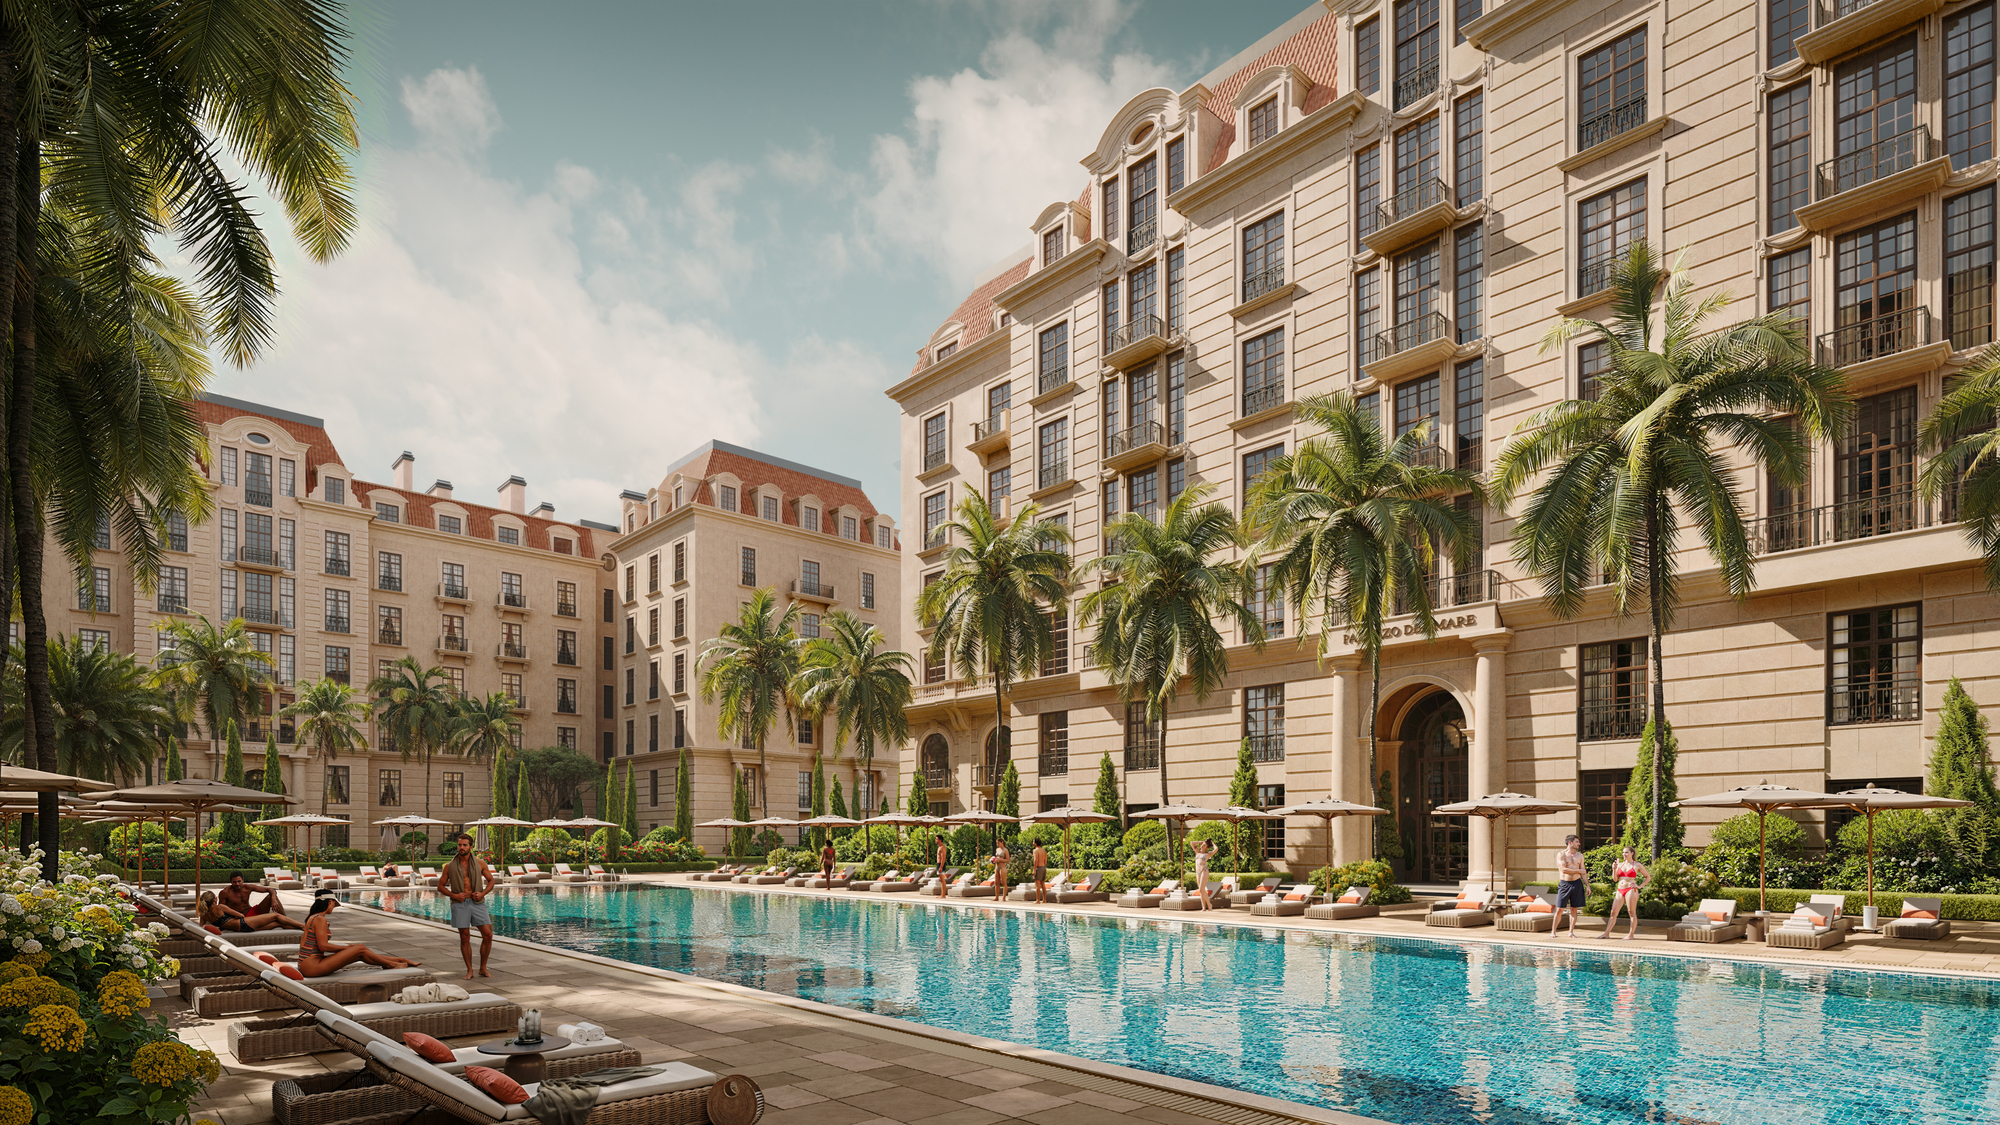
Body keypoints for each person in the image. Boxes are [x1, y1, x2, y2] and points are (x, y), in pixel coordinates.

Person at [297, 891, 420, 976]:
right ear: (329, 902)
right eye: (334, 904)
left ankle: (399, 960)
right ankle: (392, 964)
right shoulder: (319, 919)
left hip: (308, 963)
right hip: (311, 966)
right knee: (360, 947)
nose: (334, 907)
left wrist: (348, 949)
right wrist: (347, 947)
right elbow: (323, 946)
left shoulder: (313, 917)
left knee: (360, 954)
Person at [439, 832, 497, 979]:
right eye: (459, 845)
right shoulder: (449, 866)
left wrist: (482, 894)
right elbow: (440, 886)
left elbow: (491, 881)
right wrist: (454, 896)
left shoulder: (480, 863)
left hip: (477, 902)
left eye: (465, 845)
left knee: (488, 935)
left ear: (471, 847)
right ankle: (469, 970)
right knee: (465, 938)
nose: (462, 847)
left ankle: (482, 968)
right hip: (460, 903)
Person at [217, 872, 304, 931]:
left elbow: (271, 889)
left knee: (271, 896)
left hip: (252, 911)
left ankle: (285, 919)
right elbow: (220, 911)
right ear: (230, 882)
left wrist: (273, 899)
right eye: (234, 882)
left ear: (243, 880)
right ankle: (299, 926)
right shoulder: (225, 893)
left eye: (239, 881)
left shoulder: (248, 887)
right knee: (277, 922)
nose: (237, 884)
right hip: (243, 919)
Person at [1600, 846, 1649, 940]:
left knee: (1631, 912)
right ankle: (1606, 933)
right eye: (1623, 852)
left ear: (1632, 853)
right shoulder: (1620, 865)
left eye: (1626, 852)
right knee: (1613, 912)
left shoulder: (1637, 865)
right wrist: (1614, 869)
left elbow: (1648, 877)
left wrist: (1639, 886)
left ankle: (1631, 935)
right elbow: (1615, 879)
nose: (1624, 854)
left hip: (1630, 889)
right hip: (1620, 889)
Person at [1554, 835, 1588, 938]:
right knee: (1560, 909)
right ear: (1570, 843)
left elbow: (1584, 872)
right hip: (1565, 884)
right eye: (1577, 842)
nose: (1579, 844)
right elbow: (1564, 870)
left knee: (1574, 909)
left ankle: (1571, 932)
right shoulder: (1561, 855)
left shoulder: (1580, 856)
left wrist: (1587, 885)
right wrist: (1578, 870)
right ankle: (1553, 931)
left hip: (1577, 883)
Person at [1192, 839, 1213, 911]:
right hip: (1198, 872)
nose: (1201, 846)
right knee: (1201, 891)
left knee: (1201, 889)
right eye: (1202, 845)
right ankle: (1203, 907)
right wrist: (1200, 841)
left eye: (1204, 845)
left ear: (1207, 847)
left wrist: (1212, 843)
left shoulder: (1207, 854)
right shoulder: (1197, 852)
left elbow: (1216, 849)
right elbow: (1192, 843)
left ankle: (1209, 904)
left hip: (1204, 871)